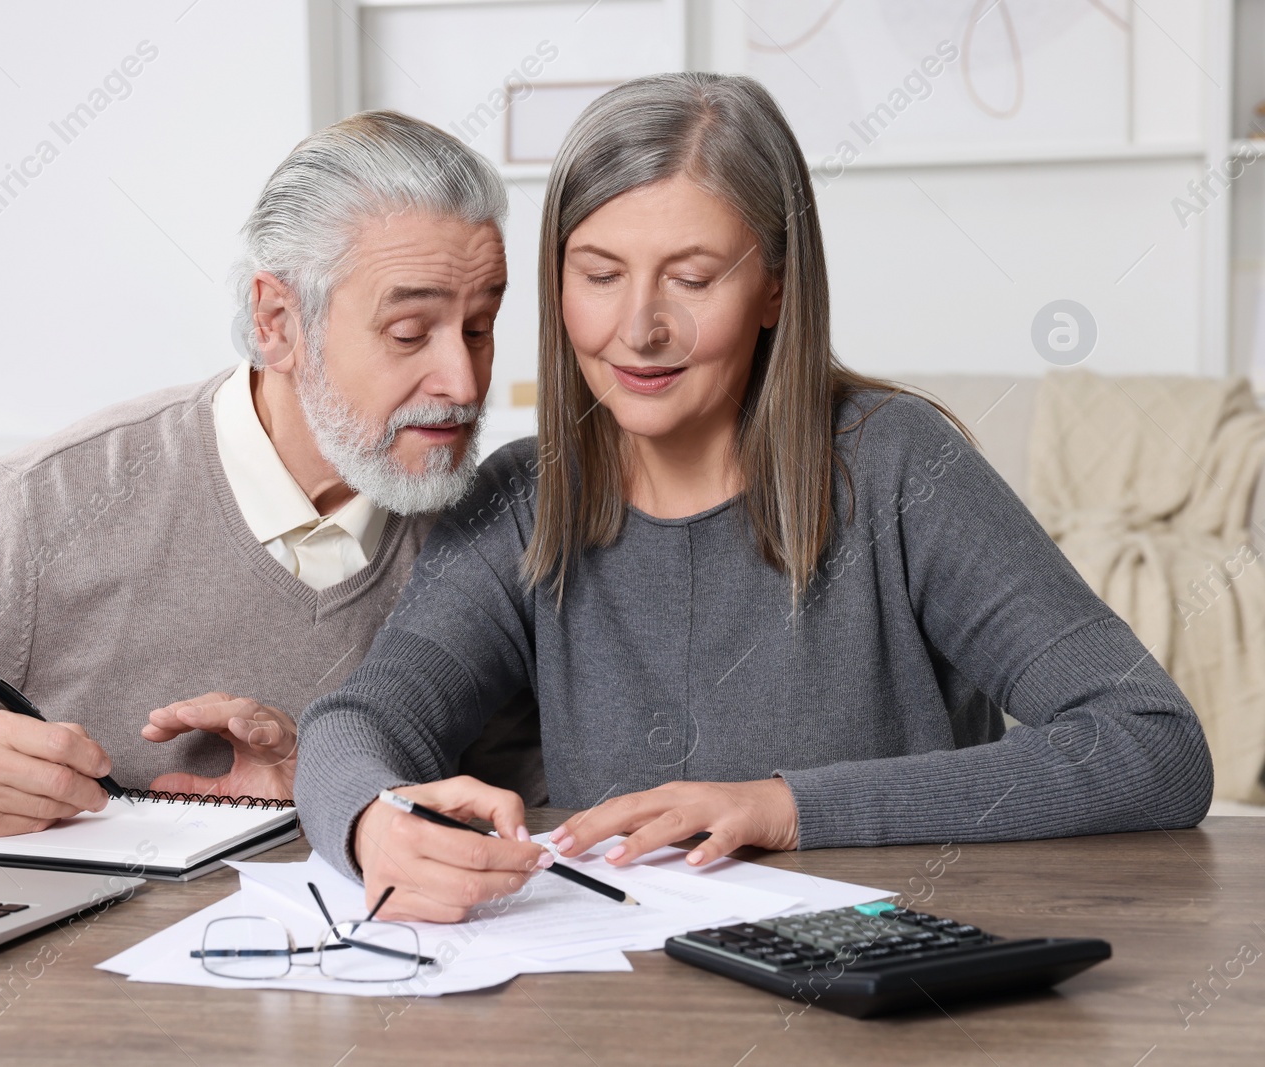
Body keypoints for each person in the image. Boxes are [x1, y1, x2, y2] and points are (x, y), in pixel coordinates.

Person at [293, 73, 1215, 922]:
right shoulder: (523, 498)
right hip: (613, 1008)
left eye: (692, 279)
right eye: (600, 274)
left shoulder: (898, 467)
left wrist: (783, 807)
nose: (639, 328)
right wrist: (373, 822)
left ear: (775, 286)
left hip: (886, 998)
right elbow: (363, 721)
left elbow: (1152, 744)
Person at [0, 110, 544, 837]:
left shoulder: (486, 532)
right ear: (276, 322)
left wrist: (320, 794)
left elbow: (523, 814)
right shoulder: (44, 508)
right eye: (410, 332)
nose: (464, 380)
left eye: (480, 327)